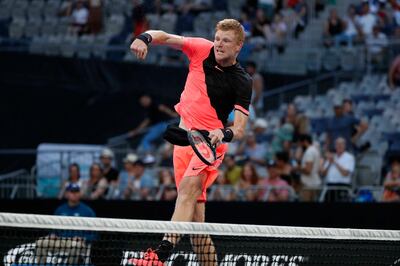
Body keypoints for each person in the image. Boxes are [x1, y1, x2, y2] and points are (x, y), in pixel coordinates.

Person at [129, 18, 252, 265]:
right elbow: (163, 35)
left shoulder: (242, 81)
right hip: (183, 141)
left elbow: (239, 129)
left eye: (226, 41)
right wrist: (144, 38)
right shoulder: (200, 48)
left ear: (238, 46)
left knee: (186, 192)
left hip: (209, 146)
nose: (219, 44)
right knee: (196, 228)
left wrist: (223, 134)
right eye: (217, 38)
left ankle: (159, 256)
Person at [36, 183, 96, 265]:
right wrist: (52, 234)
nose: (74, 194)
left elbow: (94, 235)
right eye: (72, 191)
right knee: (40, 242)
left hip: (78, 243)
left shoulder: (88, 211)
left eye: (76, 192)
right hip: (60, 242)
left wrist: (83, 238)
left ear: (80, 193)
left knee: (75, 245)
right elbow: (54, 230)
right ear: (67, 194)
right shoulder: (59, 210)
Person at [321, 137, 355, 202]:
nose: (339, 146)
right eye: (337, 144)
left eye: (341, 144)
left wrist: (335, 162)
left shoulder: (349, 157)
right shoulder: (332, 156)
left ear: (344, 146)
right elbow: (324, 173)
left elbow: (345, 173)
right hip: (330, 187)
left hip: (342, 187)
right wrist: (329, 164)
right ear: (335, 146)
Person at [298, 134, 321, 202]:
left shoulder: (309, 152)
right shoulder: (315, 150)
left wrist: (297, 168)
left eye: (300, 142)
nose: (299, 145)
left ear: (304, 141)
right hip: (314, 183)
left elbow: (308, 170)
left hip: (308, 185)